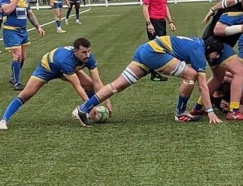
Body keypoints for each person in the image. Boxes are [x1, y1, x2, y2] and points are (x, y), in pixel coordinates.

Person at [72, 35, 225, 126]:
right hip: (154, 53)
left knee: (116, 86)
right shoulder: (199, 52)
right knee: (191, 75)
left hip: (145, 50)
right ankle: (180, 113)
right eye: (216, 54)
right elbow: (203, 86)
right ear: (210, 49)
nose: (216, 57)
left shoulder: (197, 43)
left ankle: (83, 108)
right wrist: (210, 111)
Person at [0, 38, 110, 130]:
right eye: (84, 52)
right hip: (47, 68)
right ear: (76, 52)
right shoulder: (66, 61)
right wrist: (88, 106)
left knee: (90, 84)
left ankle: (89, 111)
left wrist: (108, 102)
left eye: (89, 51)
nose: (88, 55)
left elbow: (97, 82)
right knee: (26, 95)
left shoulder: (89, 58)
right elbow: (77, 86)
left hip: (67, 68)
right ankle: (3, 120)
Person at [1, 0, 46, 90]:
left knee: (23, 57)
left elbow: (29, 13)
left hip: (23, 30)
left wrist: (38, 26)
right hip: (10, 30)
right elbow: (7, 10)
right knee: (17, 55)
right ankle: (17, 82)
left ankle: (13, 76)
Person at [142, 0, 176, 82]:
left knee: (161, 48)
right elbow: (145, 7)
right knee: (155, 48)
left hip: (161, 21)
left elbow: (165, 6)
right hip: (153, 21)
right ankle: (153, 73)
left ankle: (156, 70)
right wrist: (149, 23)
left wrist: (170, 21)